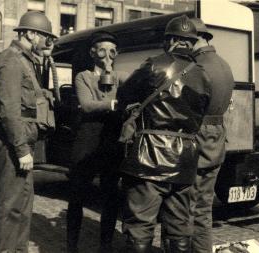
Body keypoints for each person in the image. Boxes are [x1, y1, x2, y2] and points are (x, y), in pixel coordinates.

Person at [116, 15, 212, 253]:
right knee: (179, 228)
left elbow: (126, 94)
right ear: (191, 43)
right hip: (185, 162)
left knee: (140, 226)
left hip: (149, 157)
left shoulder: (153, 64)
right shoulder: (203, 75)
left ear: (169, 40)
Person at [0, 11, 56, 252]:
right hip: (12, 144)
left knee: (23, 205)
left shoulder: (27, 60)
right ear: (30, 33)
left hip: (23, 141)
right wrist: (21, 149)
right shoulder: (11, 60)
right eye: (44, 36)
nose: (47, 42)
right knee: (7, 206)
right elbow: (9, 110)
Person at [66, 31, 128, 253]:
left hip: (111, 139)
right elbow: (87, 104)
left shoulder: (120, 77)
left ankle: (106, 245)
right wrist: (115, 104)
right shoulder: (83, 77)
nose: (107, 56)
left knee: (110, 195)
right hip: (88, 138)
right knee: (77, 194)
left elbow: (133, 94)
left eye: (112, 51)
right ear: (93, 53)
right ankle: (71, 246)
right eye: (102, 50)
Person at [188, 18, 235, 253]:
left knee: (185, 207)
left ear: (195, 39)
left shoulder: (196, 67)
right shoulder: (224, 64)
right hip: (216, 141)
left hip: (197, 140)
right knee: (204, 208)